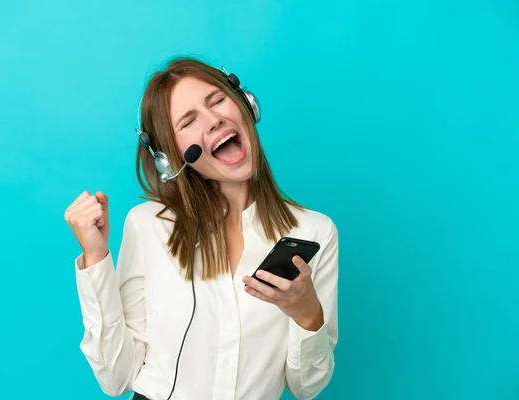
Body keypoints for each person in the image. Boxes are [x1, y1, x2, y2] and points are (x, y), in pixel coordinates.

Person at [64, 57, 339, 400]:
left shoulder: (314, 231)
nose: (214, 121)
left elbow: (307, 386)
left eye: (218, 100)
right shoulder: (149, 224)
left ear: (246, 105)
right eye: (189, 121)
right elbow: (116, 379)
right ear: (170, 156)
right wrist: (95, 257)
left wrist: (307, 314)